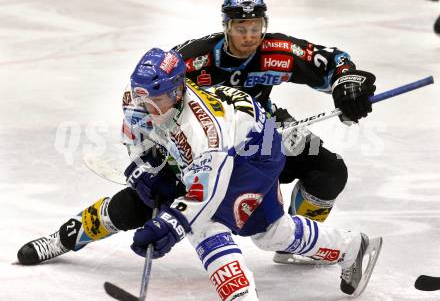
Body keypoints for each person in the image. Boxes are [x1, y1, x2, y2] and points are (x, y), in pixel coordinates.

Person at [19, 48, 382, 300]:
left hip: (253, 154)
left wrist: (169, 225)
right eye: (139, 96)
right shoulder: (142, 100)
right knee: (272, 233)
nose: (144, 105)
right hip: (205, 156)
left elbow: (204, 194)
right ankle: (353, 246)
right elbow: (135, 141)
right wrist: (145, 173)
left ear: (177, 92)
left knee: (204, 222)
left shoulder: (204, 129)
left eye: (154, 99)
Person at [171, 0, 376, 264]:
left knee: (330, 172)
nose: (249, 37)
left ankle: (297, 239)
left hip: (268, 130)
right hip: (210, 145)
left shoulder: (276, 51)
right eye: (240, 28)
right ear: (226, 27)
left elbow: (330, 60)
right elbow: (153, 91)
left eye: (256, 28)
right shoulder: (194, 59)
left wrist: (346, 83)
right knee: (154, 198)